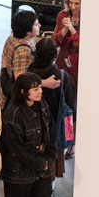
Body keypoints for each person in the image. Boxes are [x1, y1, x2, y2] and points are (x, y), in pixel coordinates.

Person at [0, 72, 59, 197]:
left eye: (40, 87)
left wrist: (48, 159)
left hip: (41, 168)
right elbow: (16, 149)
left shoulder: (41, 105)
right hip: (18, 171)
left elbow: (51, 131)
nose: (40, 91)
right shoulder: (13, 114)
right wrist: (42, 163)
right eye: (36, 89)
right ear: (24, 92)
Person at [27, 38, 75, 179]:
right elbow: (72, 106)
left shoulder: (28, 75)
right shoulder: (61, 76)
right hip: (55, 129)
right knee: (51, 162)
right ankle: (50, 187)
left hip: (31, 128)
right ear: (54, 56)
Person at [53, 0, 81, 160]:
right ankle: (61, 138)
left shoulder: (90, 18)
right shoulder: (62, 16)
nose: (73, 7)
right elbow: (55, 41)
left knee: (74, 105)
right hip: (63, 63)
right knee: (61, 103)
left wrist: (72, 29)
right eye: (71, 3)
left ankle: (72, 143)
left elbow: (81, 45)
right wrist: (64, 30)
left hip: (78, 67)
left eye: (77, 3)